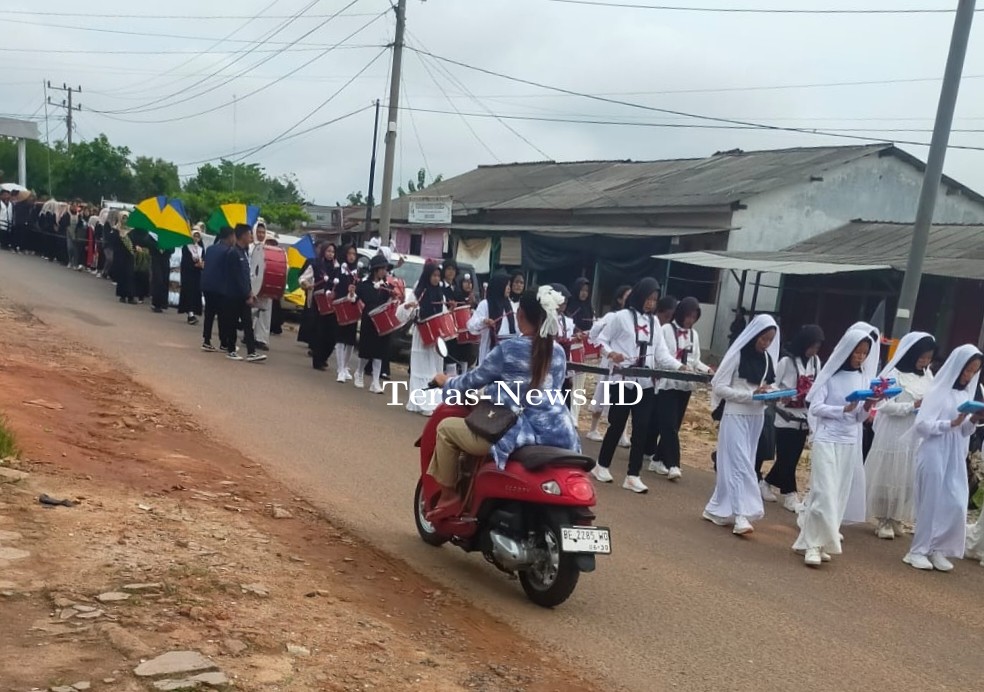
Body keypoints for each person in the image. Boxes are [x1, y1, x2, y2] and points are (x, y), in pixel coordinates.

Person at [425, 286, 581, 518]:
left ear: (520, 314)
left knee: (445, 429)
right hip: (560, 433)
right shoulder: (557, 351)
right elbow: (551, 391)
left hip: (517, 432)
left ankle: (449, 497)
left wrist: (445, 381)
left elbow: (472, 380)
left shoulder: (509, 349)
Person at [792, 328, 878, 567]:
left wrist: (867, 405)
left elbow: (859, 418)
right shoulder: (829, 376)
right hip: (827, 438)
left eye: (864, 353)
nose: (860, 357)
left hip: (848, 442)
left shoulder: (863, 378)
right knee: (824, 492)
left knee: (838, 494)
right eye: (857, 352)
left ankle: (814, 542)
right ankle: (813, 545)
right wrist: (842, 409)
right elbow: (815, 407)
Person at [592, 278, 686, 494]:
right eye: (648, 298)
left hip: (646, 383)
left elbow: (661, 353)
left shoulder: (655, 324)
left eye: (654, 299)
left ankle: (633, 475)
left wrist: (680, 366)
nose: (651, 303)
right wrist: (611, 354)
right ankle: (601, 465)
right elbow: (600, 339)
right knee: (617, 424)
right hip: (623, 380)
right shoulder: (620, 317)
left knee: (642, 427)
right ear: (639, 296)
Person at [903, 345, 983, 572]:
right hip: (934, 450)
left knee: (955, 502)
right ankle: (918, 550)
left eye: (974, 372)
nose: (969, 376)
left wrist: (974, 419)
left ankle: (938, 547)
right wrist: (950, 423)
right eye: (967, 370)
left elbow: (964, 431)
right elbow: (922, 425)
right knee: (931, 501)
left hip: (955, 453)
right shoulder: (938, 391)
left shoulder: (965, 394)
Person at [703, 315, 780, 535]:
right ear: (754, 335)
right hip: (735, 414)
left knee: (746, 460)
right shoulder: (737, 355)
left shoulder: (767, 359)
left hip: (756, 417)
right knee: (739, 462)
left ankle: (716, 508)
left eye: (770, 340)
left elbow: (768, 384)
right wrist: (749, 395)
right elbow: (719, 386)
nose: (765, 344)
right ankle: (740, 515)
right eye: (763, 338)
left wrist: (772, 393)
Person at [865, 332, 936, 539]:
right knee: (889, 474)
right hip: (893, 432)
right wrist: (912, 406)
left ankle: (897, 516)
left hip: (915, 434)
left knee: (908, 475)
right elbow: (884, 405)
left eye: (928, 358)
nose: (924, 361)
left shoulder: (928, 376)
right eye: (921, 357)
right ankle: (883, 518)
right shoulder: (894, 374)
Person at [647, 297, 714, 481]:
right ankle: (674, 464)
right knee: (668, 425)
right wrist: (679, 366)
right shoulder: (666, 330)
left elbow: (695, 360)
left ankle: (658, 459)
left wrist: (706, 370)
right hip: (667, 383)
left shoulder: (694, 335)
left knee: (674, 425)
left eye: (694, 317)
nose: (690, 320)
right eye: (688, 316)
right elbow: (662, 356)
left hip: (685, 386)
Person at [762, 324, 824, 511]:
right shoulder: (786, 362)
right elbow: (772, 384)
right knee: (785, 455)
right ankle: (790, 494)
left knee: (792, 456)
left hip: (804, 416)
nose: (814, 351)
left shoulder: (815, 362)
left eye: (817, 347)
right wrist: (782, 395)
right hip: (785, 416)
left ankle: (766, 482)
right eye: (812, 346)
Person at [399, 262, 447, 415]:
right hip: (421, 336)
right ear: (427, 276)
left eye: (438, 276)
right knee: (421, 369)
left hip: (436, 339)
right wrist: (409, 307)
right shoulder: (418, 293)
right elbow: (404, 314)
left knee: (434, 369)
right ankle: (421, 403)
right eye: (434, 275)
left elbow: (443, 314)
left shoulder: (441, 294)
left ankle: (433, 403)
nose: (436, 278)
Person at [585, 285, 631, 442]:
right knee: (602, 392)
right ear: (619, 299)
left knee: (624, 396)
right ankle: (593, 428)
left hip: (626, 363)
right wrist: (607, 350)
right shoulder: (612, 316)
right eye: (627, 296)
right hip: (610, 360)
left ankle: (622, 433)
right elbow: (595, 333)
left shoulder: (634, 319)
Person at [221, 224, 267, 363]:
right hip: (234, 295)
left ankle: (251, 352)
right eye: (249, 234)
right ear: (243, 236)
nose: (251, 237)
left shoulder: (244, 252)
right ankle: (231, 350)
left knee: (247, 323)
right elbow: (237, 277)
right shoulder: (233, 253)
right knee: (232, 323)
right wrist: (247, 294)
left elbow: (246, 275)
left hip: (244, 295)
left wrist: (250, 292)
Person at [355, 254, 394, 392]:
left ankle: (375, 382)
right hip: (368, 320)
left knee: (379, 353)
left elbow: (391, 302)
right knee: (366, 352)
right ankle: (359, 372)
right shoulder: (364, 285)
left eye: (385, 269)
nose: (384, 271)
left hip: (382, 321)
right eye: (382, 268)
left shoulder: (387, 287)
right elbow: (355, 299)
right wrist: (353, 294)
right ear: (375, 270)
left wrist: (394, 297)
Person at [300, 242, 339, 371]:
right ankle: (318, 360)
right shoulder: (315, 265)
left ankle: (324, 357)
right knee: (320, 332)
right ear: (323, 252)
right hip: (318, 302)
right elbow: (303, 279)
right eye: (328, 251)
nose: (330, 254)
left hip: (332, 304)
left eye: (332, 252)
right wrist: (307, 285)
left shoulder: (337, 267)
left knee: (332, 335)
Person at [467, 272, 518, 365]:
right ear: (499, 286)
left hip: (507, 354)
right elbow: (471, 326)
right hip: (489, 353)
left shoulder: (511, 305)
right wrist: (484, 321)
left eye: (509, 285)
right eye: (506, 285)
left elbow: (517, 328)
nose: (509, 288)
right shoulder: (485, 304)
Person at [201, 227, 234, 351]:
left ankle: (206, 340)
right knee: (223, 315)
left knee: (209, 314)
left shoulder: (210, 249)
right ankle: (223, 342)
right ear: (230, 237)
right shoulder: (229, 251)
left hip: (207, 285)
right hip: (221, 287)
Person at [333, 244, 360, 382]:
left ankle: (345, 367)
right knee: (340, 339)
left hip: (353, 309)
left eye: (354, 254)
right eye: (349, 253)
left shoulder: (358, 273)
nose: (351, 256)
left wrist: (354, 294)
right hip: (341, 308)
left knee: (350, 341)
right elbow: (334, 287)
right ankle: (340, 369)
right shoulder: (339, 271)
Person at [249, 220, 273, 351]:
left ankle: (261, 339)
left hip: (266, 285)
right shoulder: (250, 248)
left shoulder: (269, 249)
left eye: (263, 232)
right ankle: (248, 334)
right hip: (252, 285)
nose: (261, 234)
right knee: (251, 311)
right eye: (258, 232)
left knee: (265, 314)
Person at [179, 226, 205, 325]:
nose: (196, 238)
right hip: (188, 274)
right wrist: (194, 265)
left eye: (198, 236)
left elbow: (204, 258)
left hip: (197, 274)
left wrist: (202, 264)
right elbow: (185, 261)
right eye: (195, 236)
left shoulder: (201, 248)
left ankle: (193, 312)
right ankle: (190, 314)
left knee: (195, 293)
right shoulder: (186, 247)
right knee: (189, 293)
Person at [114, 213, 138, 305]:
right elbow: (113, 242)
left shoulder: (131, 230)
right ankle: (122, 296)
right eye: (123, 218)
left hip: (130, 255)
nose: (125, 220)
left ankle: (131, 296)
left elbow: (135, 242)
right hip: (120, 255)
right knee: (122, 275)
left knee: (130, 274)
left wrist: (135, 248)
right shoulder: (116, 229)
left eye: (126, 218)